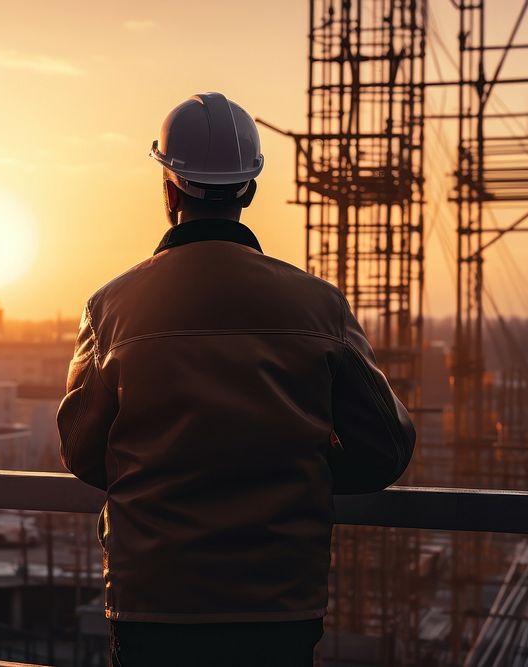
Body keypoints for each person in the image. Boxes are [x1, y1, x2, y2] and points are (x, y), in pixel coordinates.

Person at [57, 92, 415, 667]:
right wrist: (301, 470)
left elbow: (82, 452)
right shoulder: (318, 306)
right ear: (249, 189)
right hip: (277, 601)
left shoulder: (113, 309)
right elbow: (385, 450)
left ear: (169, 189)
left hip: (153, 599)